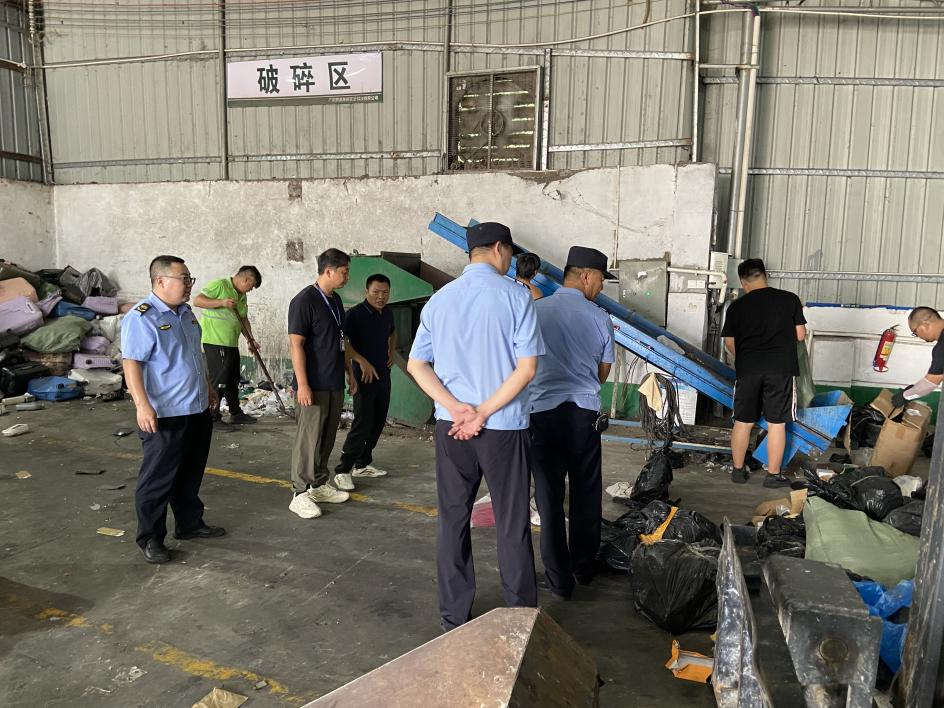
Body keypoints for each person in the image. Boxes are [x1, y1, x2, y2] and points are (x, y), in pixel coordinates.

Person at [407, 221, 545, 632]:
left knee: (453, 518)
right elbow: (527, 368)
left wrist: (456, 408)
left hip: (452, 429)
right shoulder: (516, 297)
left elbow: (417, 364)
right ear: (500, 249)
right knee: (512, 521)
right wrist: (483, 412)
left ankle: (453, 616)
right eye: (510, 254)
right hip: (503, 427)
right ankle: (520, 616)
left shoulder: (440, 300)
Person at [121, 255, 226, 565]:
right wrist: (142, 405)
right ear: (161, 281)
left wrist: (207, 386)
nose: (189, 285)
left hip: (195, 407)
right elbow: (131, 363)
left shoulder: (187, 314)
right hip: (165, 413)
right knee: (158, 478)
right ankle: (151, 538)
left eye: (190, 279)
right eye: (184, 279)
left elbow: (195, 356)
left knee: (190, 472)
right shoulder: (142, 317)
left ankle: (189, 523)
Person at [529, 246, 615, 599]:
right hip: (583, 416)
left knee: (548, 496)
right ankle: (583, 565)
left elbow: (523, 363)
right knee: (585, 491)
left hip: (541, 414)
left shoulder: (535, 312)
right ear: (586, 276)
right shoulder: (600, 317)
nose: (601, 287)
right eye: (601, 280)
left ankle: (558, 579)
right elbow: (603, 372)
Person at [721, 258, 807, 488]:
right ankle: (773, 476)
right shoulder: (789, 299)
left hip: (748, 369)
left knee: (743, 421)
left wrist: (745, 358)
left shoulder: (736, 307)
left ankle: (738, 471)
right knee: (776, 424)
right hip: (780, 369)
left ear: (743, 282)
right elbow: (800, 335)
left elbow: (729, 342)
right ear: (765, 276)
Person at [286, 249, 358, 519]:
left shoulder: (336, 300)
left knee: (327, 436)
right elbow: (296, 345)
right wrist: (303, 384)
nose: (347, 277)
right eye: (344, 272)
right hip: (313, 384)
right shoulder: (304, 301)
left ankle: (318, 484)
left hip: (333, 381)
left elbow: (341, 341)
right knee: (308, 438)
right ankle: (299, 492)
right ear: (328, 271)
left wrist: (349, 372)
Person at [333, 273, 396, 490]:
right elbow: (343, 342)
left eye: (385, 292)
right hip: (363, 377)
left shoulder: (387, 313)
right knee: (362, 423)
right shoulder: (355, 315)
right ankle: (343, 470)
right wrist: (360, 361)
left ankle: (362, 464)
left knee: (378, 422)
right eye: (376, 292)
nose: (381, 297)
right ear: (366, 292)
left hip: (383, 377)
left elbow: (393, 333)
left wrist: (391, 351)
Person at [194, 265, 262, 425]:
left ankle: (235, 412)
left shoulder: (241, 296)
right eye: (251, 286)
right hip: (215, 341)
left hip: (231, 342)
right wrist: (221, 302)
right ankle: (212, 416)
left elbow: (243, 319)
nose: (250, 290)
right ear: (246, 279)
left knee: (232, 378)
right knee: (219, 379)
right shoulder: (220, 285)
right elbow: (198, 301)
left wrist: (250, 339)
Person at [891, 307, 944, 407]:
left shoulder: (941, 347)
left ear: (925, 324)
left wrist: (904, 396)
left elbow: (930, 383)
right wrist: (913, 389)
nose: (918, 336)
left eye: (915, 332)